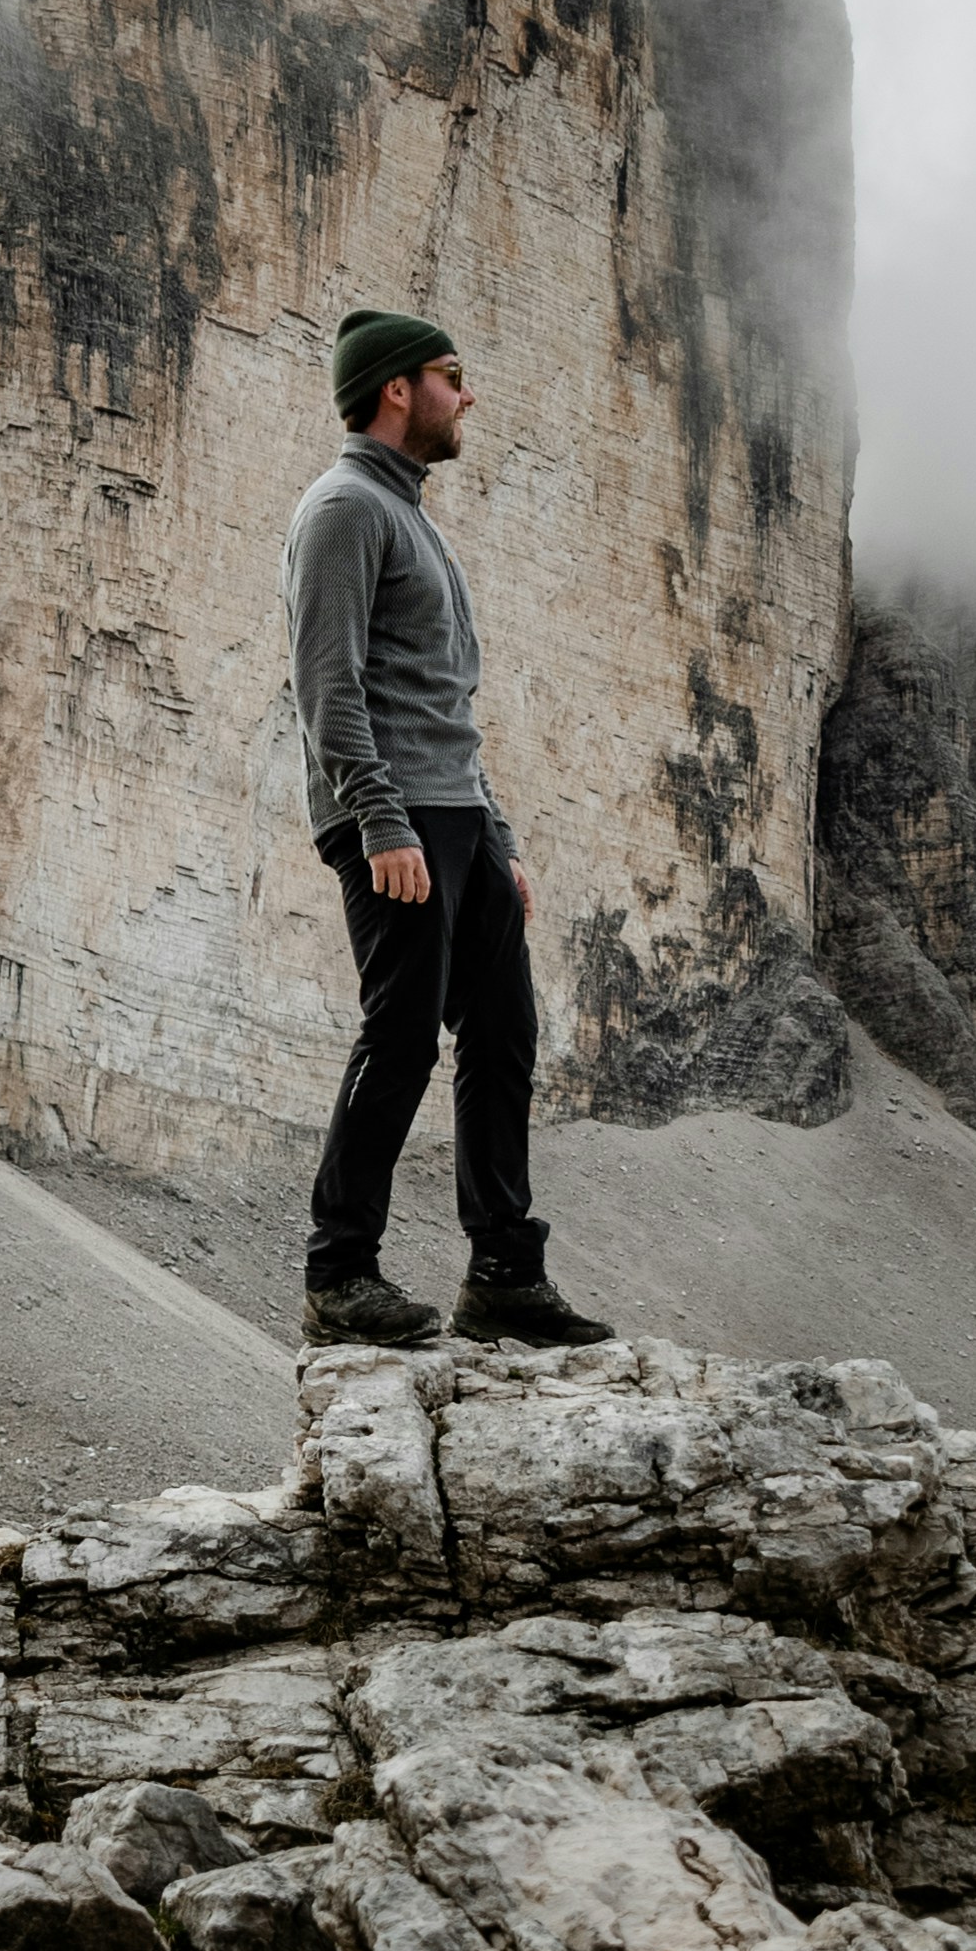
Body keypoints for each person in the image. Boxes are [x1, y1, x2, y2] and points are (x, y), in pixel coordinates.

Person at [282, 308, 612, 1354]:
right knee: (400, 1034)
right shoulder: (341, 508)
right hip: (395, 819)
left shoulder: (410, 515)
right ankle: (338, 1274)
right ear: (394, 388)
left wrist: (498, 838)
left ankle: (503, 1272)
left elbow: (445, 702)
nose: (466, 396)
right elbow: (327, 684)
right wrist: (382, 820)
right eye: (451, 376)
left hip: (455, 818)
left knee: (503, 1033)